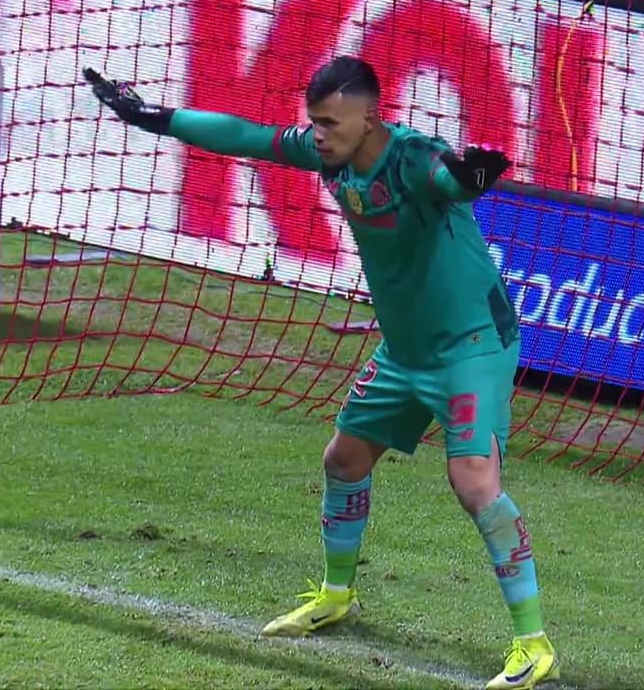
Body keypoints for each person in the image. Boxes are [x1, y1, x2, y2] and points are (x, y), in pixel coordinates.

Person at [83, 56, 559, 689]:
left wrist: (471, 176)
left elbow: (449, 182)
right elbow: (245, 135)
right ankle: (337, 596)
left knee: (473, 481)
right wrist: (157, 117)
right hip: (405, 351)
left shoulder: (415, 158)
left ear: (372, 117)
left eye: (331, 123)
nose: (320, 135)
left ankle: (533, 642)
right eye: (316, 124)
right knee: (344, 460)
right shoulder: (328, 155)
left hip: (471, 347)